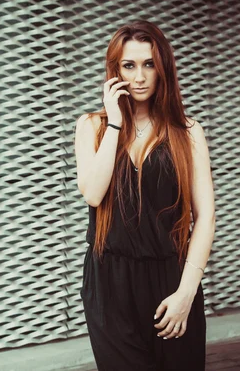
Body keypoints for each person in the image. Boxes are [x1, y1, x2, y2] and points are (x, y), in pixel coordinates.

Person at [74, 20, 215, 370]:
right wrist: (116, 122)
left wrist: (186, 294)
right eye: (129, 65)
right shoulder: (92, 126)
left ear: (163, 68)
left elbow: (206, 217)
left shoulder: (188, 132)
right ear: (115, 71)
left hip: (171, 279)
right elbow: (93, 194)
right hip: (109, 281)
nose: (139, 77)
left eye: (149, 64)